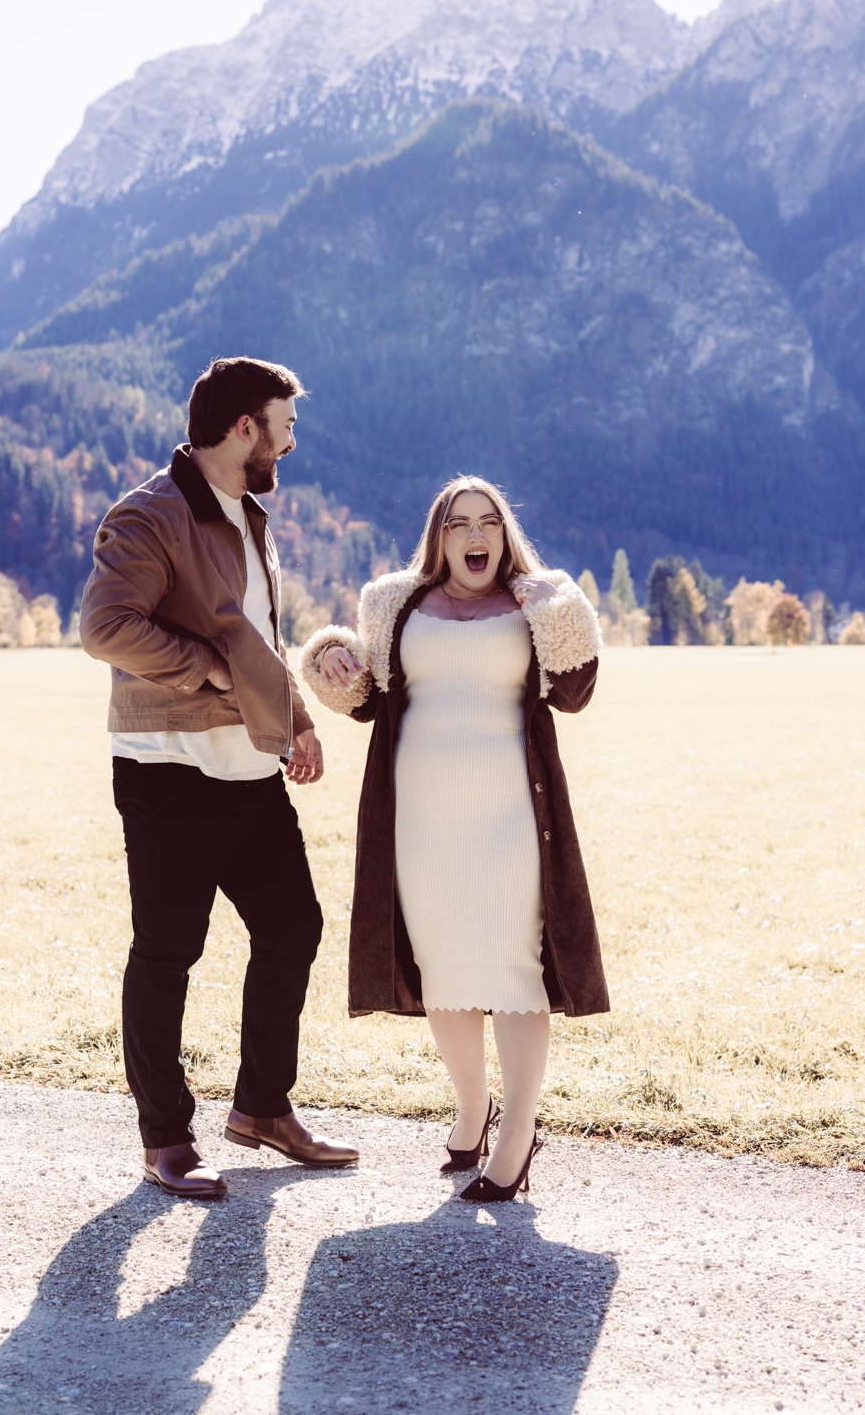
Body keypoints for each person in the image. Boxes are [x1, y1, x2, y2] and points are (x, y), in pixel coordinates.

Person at [79, 355, 359, 1200]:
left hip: (248, 770)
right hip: (171, 772)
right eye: (286, 423)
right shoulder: (150, 514)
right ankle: (165, 1138)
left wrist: (297, 724)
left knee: (294, 927)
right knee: (168, 952)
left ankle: (262, 1110)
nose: (291, 440)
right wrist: (204, 671)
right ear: (246, 427)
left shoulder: (247, 515)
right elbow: (106, 628)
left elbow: (258, 641)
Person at [300, 476, 608, 1202]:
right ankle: (474, 1104)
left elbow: (576, 691)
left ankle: (517, 1132)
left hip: (510, 817)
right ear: (438, 537)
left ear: (506, 535)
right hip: (421, 818)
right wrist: (332, 660)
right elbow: (366, 697)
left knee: (514, 972)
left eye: (490, 523)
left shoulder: (541, 597)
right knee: (443, 971)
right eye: (460, 524)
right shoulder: (393, 601)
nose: (476, 536)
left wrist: (562, 614)